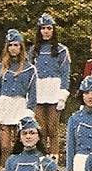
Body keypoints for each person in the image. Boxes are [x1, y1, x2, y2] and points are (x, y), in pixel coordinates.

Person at [0, 29, 37, 159]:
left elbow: (33, 93)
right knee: (5, 147)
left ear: (21, 47)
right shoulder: (1, 67)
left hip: (20, 106)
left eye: (16, 45)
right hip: (4, 105)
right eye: (10, 45)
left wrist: (29, 111)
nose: (13, 48)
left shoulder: (30, 69)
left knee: (20, 145)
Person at [30, 13, 72, 157]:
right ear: (39, 31)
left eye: (49, 28)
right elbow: (29, 74)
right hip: (38, 91)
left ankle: (53, 159)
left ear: (53, 30)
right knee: (40, 128)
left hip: (54, 90)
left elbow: (65, 73)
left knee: (53, 128)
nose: (46, 31)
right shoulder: (33, 50)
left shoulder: (61, 50)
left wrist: (62, 96)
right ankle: (40, 158)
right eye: (43, 28)